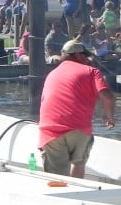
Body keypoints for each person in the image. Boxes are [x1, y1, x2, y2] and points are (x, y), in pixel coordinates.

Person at [38, 39, 115, 178]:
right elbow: (107, 96)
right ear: (78, 55)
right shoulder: (92, 71)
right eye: (85, 56)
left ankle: (61, 197)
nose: (87, 59)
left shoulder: (51, 74)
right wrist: (109, 117)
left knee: (56, 177)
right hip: (79, 128)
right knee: (78, 163)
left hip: (51, 130)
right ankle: (77, 191)